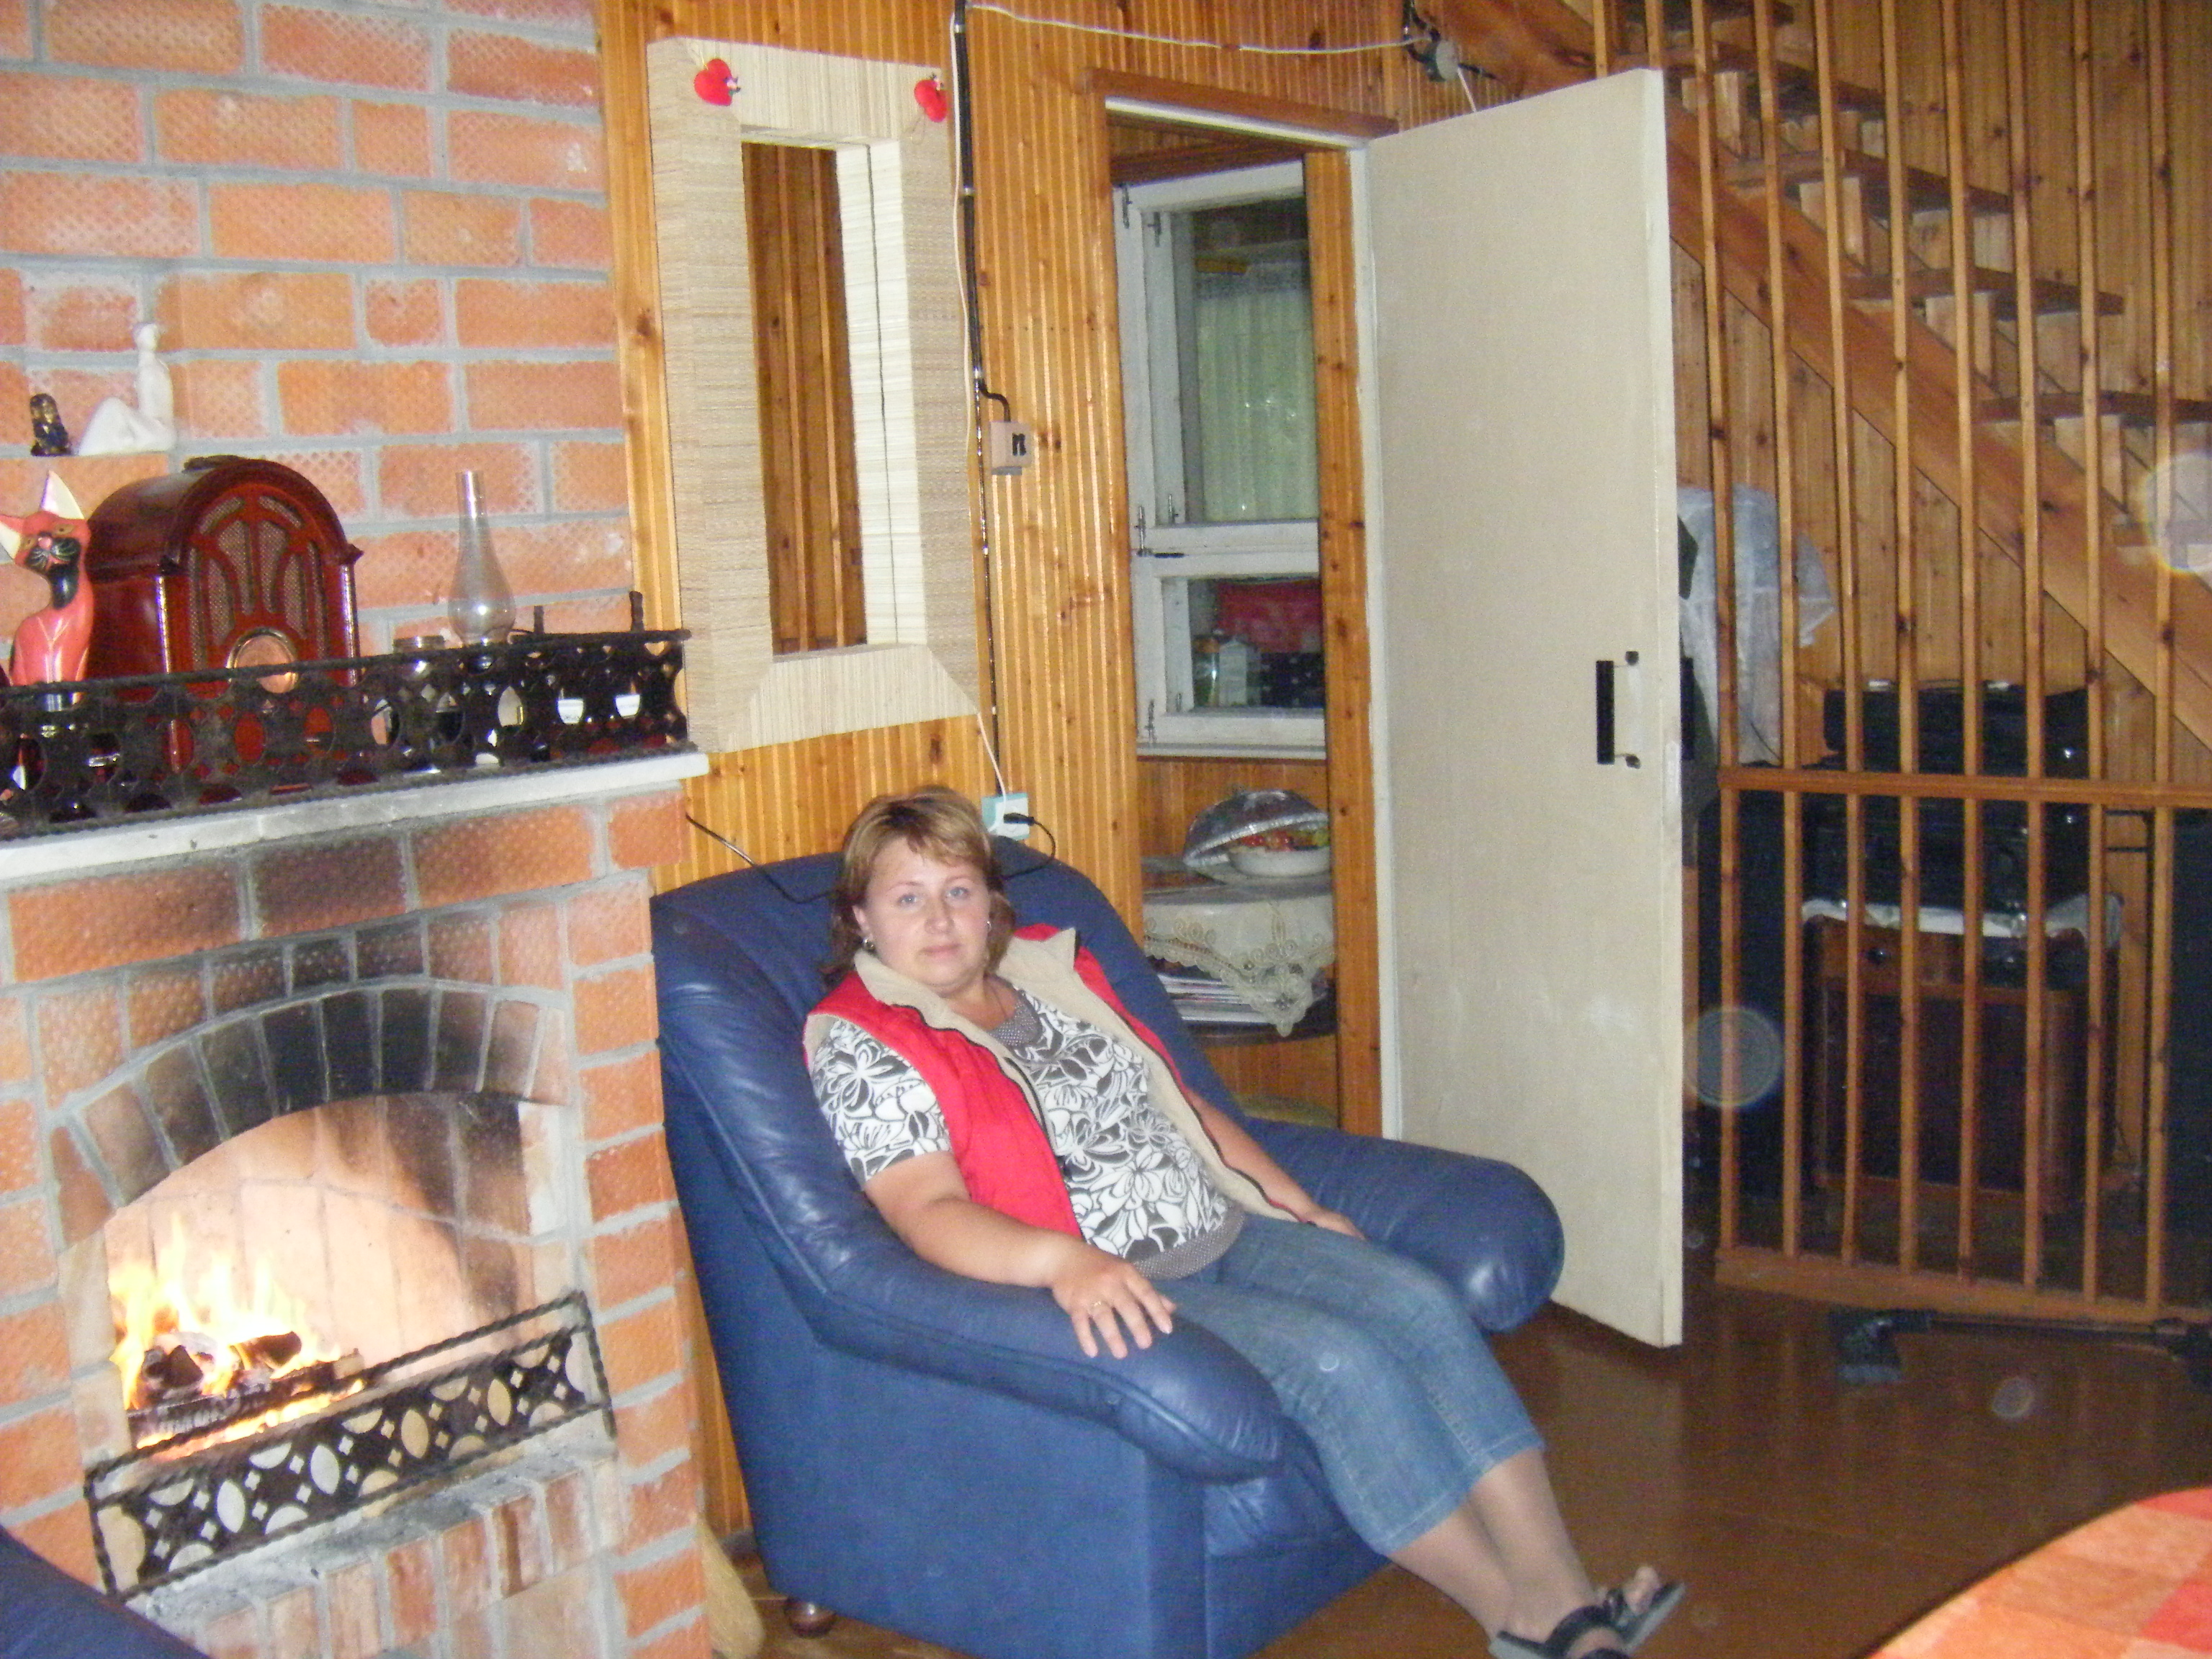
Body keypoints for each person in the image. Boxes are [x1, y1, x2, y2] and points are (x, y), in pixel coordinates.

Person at [804, 787, 1681, 1659]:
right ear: (861, 919)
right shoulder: (862, 1037)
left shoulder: (1050, 971)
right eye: (907, 898)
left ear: (992, 904)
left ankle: (1563, 1594)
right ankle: (1516, 1618)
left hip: (1223, 1223)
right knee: (1342, 1364)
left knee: (1419, 1302)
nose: (940, 919)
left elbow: (1180, 1104)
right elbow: (925, 1209)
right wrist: (1062, 1263)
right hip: (1127, 1282)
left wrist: (1300, 1205)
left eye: (958, 890)